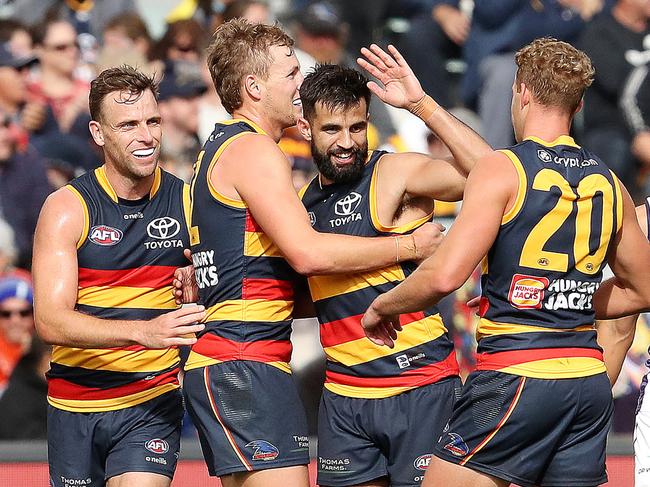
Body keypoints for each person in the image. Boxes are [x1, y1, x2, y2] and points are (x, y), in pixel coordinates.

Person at [361, 37, 650, 487]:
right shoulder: (610, 183)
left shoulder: (505, 169)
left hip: (515, 374)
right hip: (587, 385)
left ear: (522, 93)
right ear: (576, 106)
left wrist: (383, 307)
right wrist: (563, 298)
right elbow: (642, 290)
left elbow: (446, 274)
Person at [183, 19, 440, 487]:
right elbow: (307, 255)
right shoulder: (254, 151)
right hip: (246, 360)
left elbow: (269, 279)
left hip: (232, 361)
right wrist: (408, 247)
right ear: (253, 87)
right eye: (290, 74)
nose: (300, 84)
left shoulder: (215, 150)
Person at [296, 55, 492, 486]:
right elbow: (304, 294)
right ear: (305, 128)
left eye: (356, 127)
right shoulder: (301, 206)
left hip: (419, 388)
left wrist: (420, 104)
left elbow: (493, 173)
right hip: (345, 399)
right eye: (332, 129)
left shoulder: (393, 172)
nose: (346, 142)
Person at [32, 65, 206, 487]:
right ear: (97, 133)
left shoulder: (187, 200)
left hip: (151, 402)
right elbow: (50, 321)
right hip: (75, 406)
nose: (146, 137)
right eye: (128, 124)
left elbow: (224, 289)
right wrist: (142, 332)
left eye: (152, 121)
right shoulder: (68, 207)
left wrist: (198, 287)